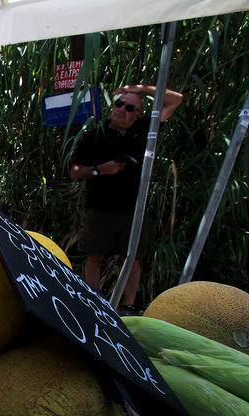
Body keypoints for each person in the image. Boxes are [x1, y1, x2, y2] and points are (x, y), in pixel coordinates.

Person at [70, 83, 183, 315]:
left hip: (133, 209)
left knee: (132, 258)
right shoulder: (95, 135)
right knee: (94, 255)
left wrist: (140, 88)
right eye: (119, 103)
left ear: (137, 115)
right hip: (100, 207)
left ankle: (130, 307)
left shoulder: (143, 129)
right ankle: (93, 303)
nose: (121, 109)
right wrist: (100, 169)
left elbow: (174, 100)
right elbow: (75, 171)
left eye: (129, 107)